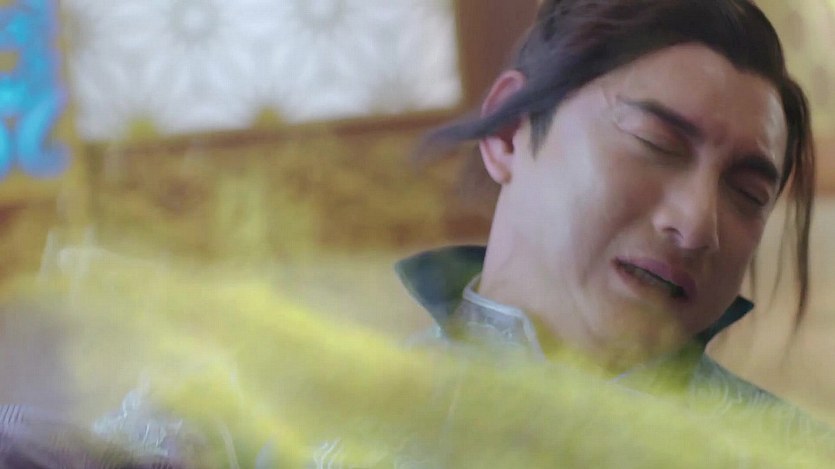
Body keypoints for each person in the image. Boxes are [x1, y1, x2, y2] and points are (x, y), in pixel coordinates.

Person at [398, 0, 816, 402]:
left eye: (748, 193)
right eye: (656, 142)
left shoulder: (794, 445)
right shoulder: (368, 424)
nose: (696, 226)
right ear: (509, 131)